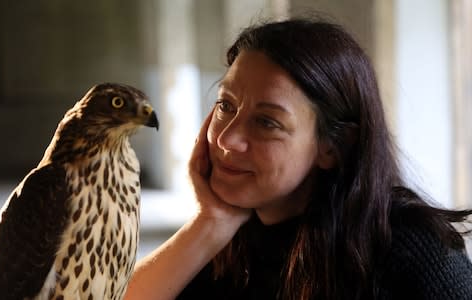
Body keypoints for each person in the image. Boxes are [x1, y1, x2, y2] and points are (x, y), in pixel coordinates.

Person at [124, 18, 472, 300]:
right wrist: (209, 223)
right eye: (225, 105)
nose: (227, 138)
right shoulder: (225, 242)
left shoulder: (412, 252)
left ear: (331, 147)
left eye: (266, 122)